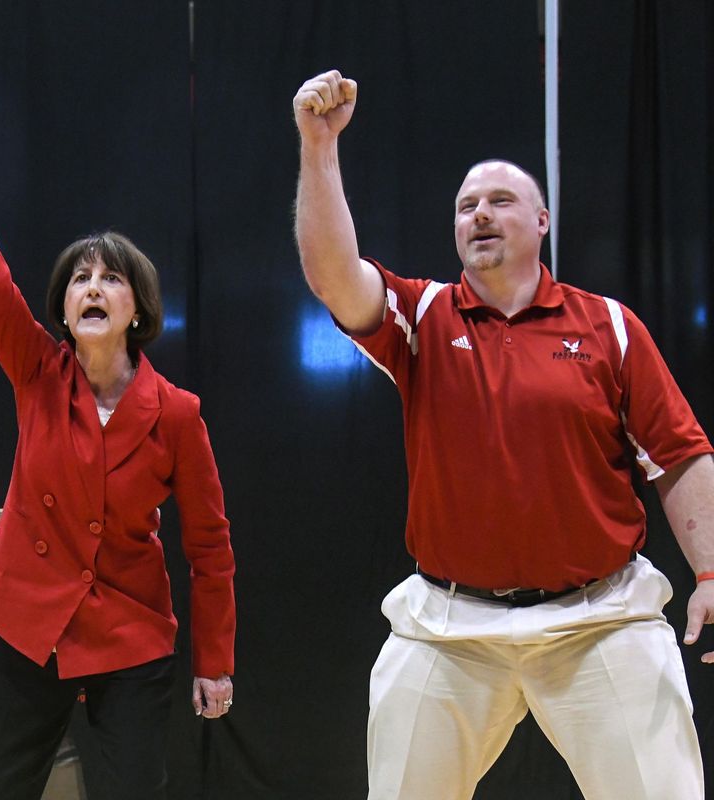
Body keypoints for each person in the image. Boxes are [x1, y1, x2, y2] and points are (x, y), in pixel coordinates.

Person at [292, 69, 714, 799]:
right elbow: (333, 275)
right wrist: (319, 147)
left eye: (499, 201)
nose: (478, 215)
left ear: (542, 222)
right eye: (464, 207)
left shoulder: (608, 325)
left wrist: (710, 570)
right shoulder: (421, 317)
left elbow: (677, 455)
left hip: (601, 619)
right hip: (450, 628)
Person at [0, 98, 235, 800]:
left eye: (110, 277)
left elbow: (210, 548)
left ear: (137, 308)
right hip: (22, 625)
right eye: (79, 278)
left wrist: (215, 661)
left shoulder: (179, 416)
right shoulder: (38, 371)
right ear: (65, 311)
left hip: (129, 635)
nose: (92, 287)